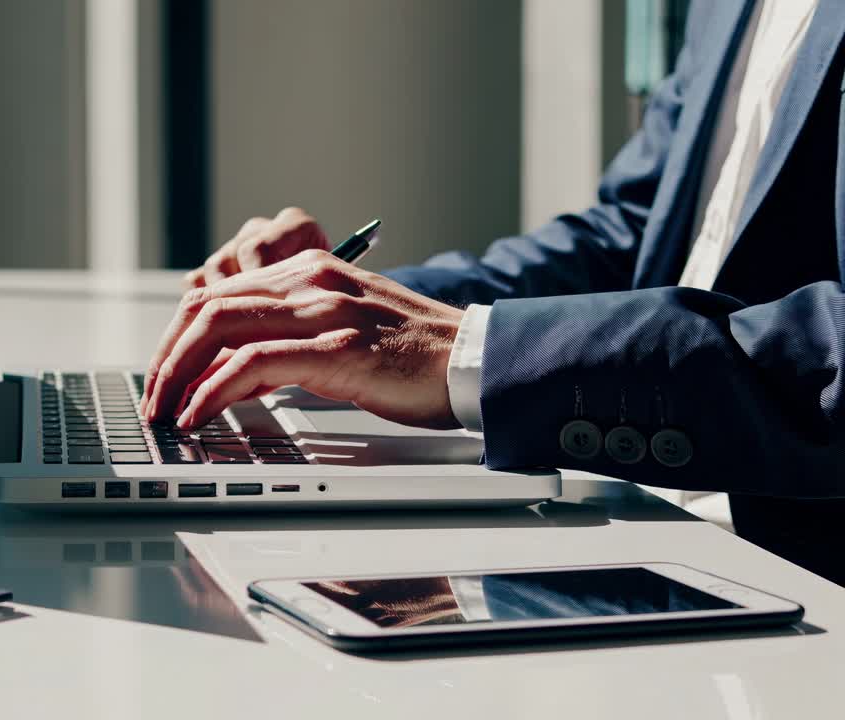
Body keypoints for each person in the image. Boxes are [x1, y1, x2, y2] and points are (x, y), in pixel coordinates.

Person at [139, 0, 845, 584]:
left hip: (800, 583)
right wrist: (339, 311)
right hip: (644, 522)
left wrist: (474, 354)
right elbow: (631, 235)